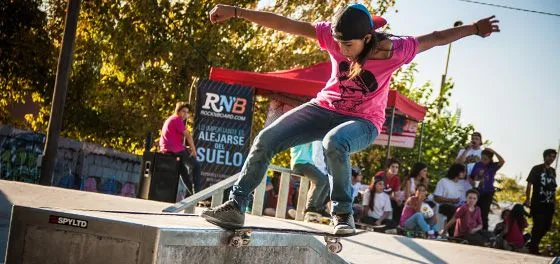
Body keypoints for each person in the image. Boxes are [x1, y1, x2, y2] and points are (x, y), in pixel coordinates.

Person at [202, 3, 500, 234]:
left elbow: (436, 38)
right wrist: (236, 11)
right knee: (266, 138)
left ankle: (343, 212)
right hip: (324, 109)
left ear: (368, 38)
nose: (342, 50)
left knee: (335, 142)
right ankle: (236, 204)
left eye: (349, 46)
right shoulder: (332, 38)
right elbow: (287, 24)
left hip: (364, 123)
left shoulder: (396, 50)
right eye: (339, 44)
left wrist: (474, 28)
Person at [159, 102, 201, 194]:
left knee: (183, 172)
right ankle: (198, 195)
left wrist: (185, 147)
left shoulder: (170, 119)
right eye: (183, 111)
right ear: (177, 111)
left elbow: (171, 139)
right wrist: (193, 150)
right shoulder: (177, 119)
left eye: (187, 112)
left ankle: (193, 196)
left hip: (166, 150)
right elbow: (188, 136)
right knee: (196, 165)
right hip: (175, 150)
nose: (185, 114)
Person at [524, 149, 557, 255]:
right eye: (549, 156)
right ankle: (533, 248)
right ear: (545, 156)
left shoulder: (553, 171)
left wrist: (554, 202)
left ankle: (533, 243)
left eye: (553, 157)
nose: (551, 159)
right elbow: (529, 184)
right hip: (538, 202)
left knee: (546, 226)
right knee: (538, 225)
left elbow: (553, 188)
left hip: (549, 203)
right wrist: (527, 199)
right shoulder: (536, 168)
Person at [290, 141, 330, 222]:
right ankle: (310, 207)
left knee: (327, 182)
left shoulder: (311, 142)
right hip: (299, 163)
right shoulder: (299, 137)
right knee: (321, 181)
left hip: (308, 164)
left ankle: (319, 207)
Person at [469, 148, 505, 230]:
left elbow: (502, 161)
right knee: (474, 211)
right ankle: (472, 230)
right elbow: (473, 177)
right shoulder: (478, 165)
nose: (483, 161)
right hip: (477, 191)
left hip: (488, 192)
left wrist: (494, 151)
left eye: (485, 159)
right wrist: (478, 177)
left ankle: (484, 231)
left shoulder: (493, 166)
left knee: (484, 213)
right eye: (482, 158)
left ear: (490, 159)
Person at [434, 163, 466, 235]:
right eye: (463, 171)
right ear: (457, 171)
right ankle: (451, 234)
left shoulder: (461, 185)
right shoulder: (443, 181)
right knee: (453, 210)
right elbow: (436, 198)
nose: (465, 173)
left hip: (457, 207)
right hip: (443, 206)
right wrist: (452, 200)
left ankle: (461, 235)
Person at [373, 159, 404, 224]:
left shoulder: (396, 179)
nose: (394, 169)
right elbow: (373, 188)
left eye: (396, 167)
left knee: (398, 205)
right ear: (388, 168)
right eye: (392, 166)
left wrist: (399, 201)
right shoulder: (381, 174)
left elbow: (396, 194)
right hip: (376, 196)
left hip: (387, 198)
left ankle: (395, 224)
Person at [455, 132, 483, 199]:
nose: (474, 140)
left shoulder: (482, 153)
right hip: (460, 180)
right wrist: (467, 150)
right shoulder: (463, 151)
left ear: (480, 141)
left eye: (476, 139)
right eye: (473, 139)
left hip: (473, 182)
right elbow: (458, 163)